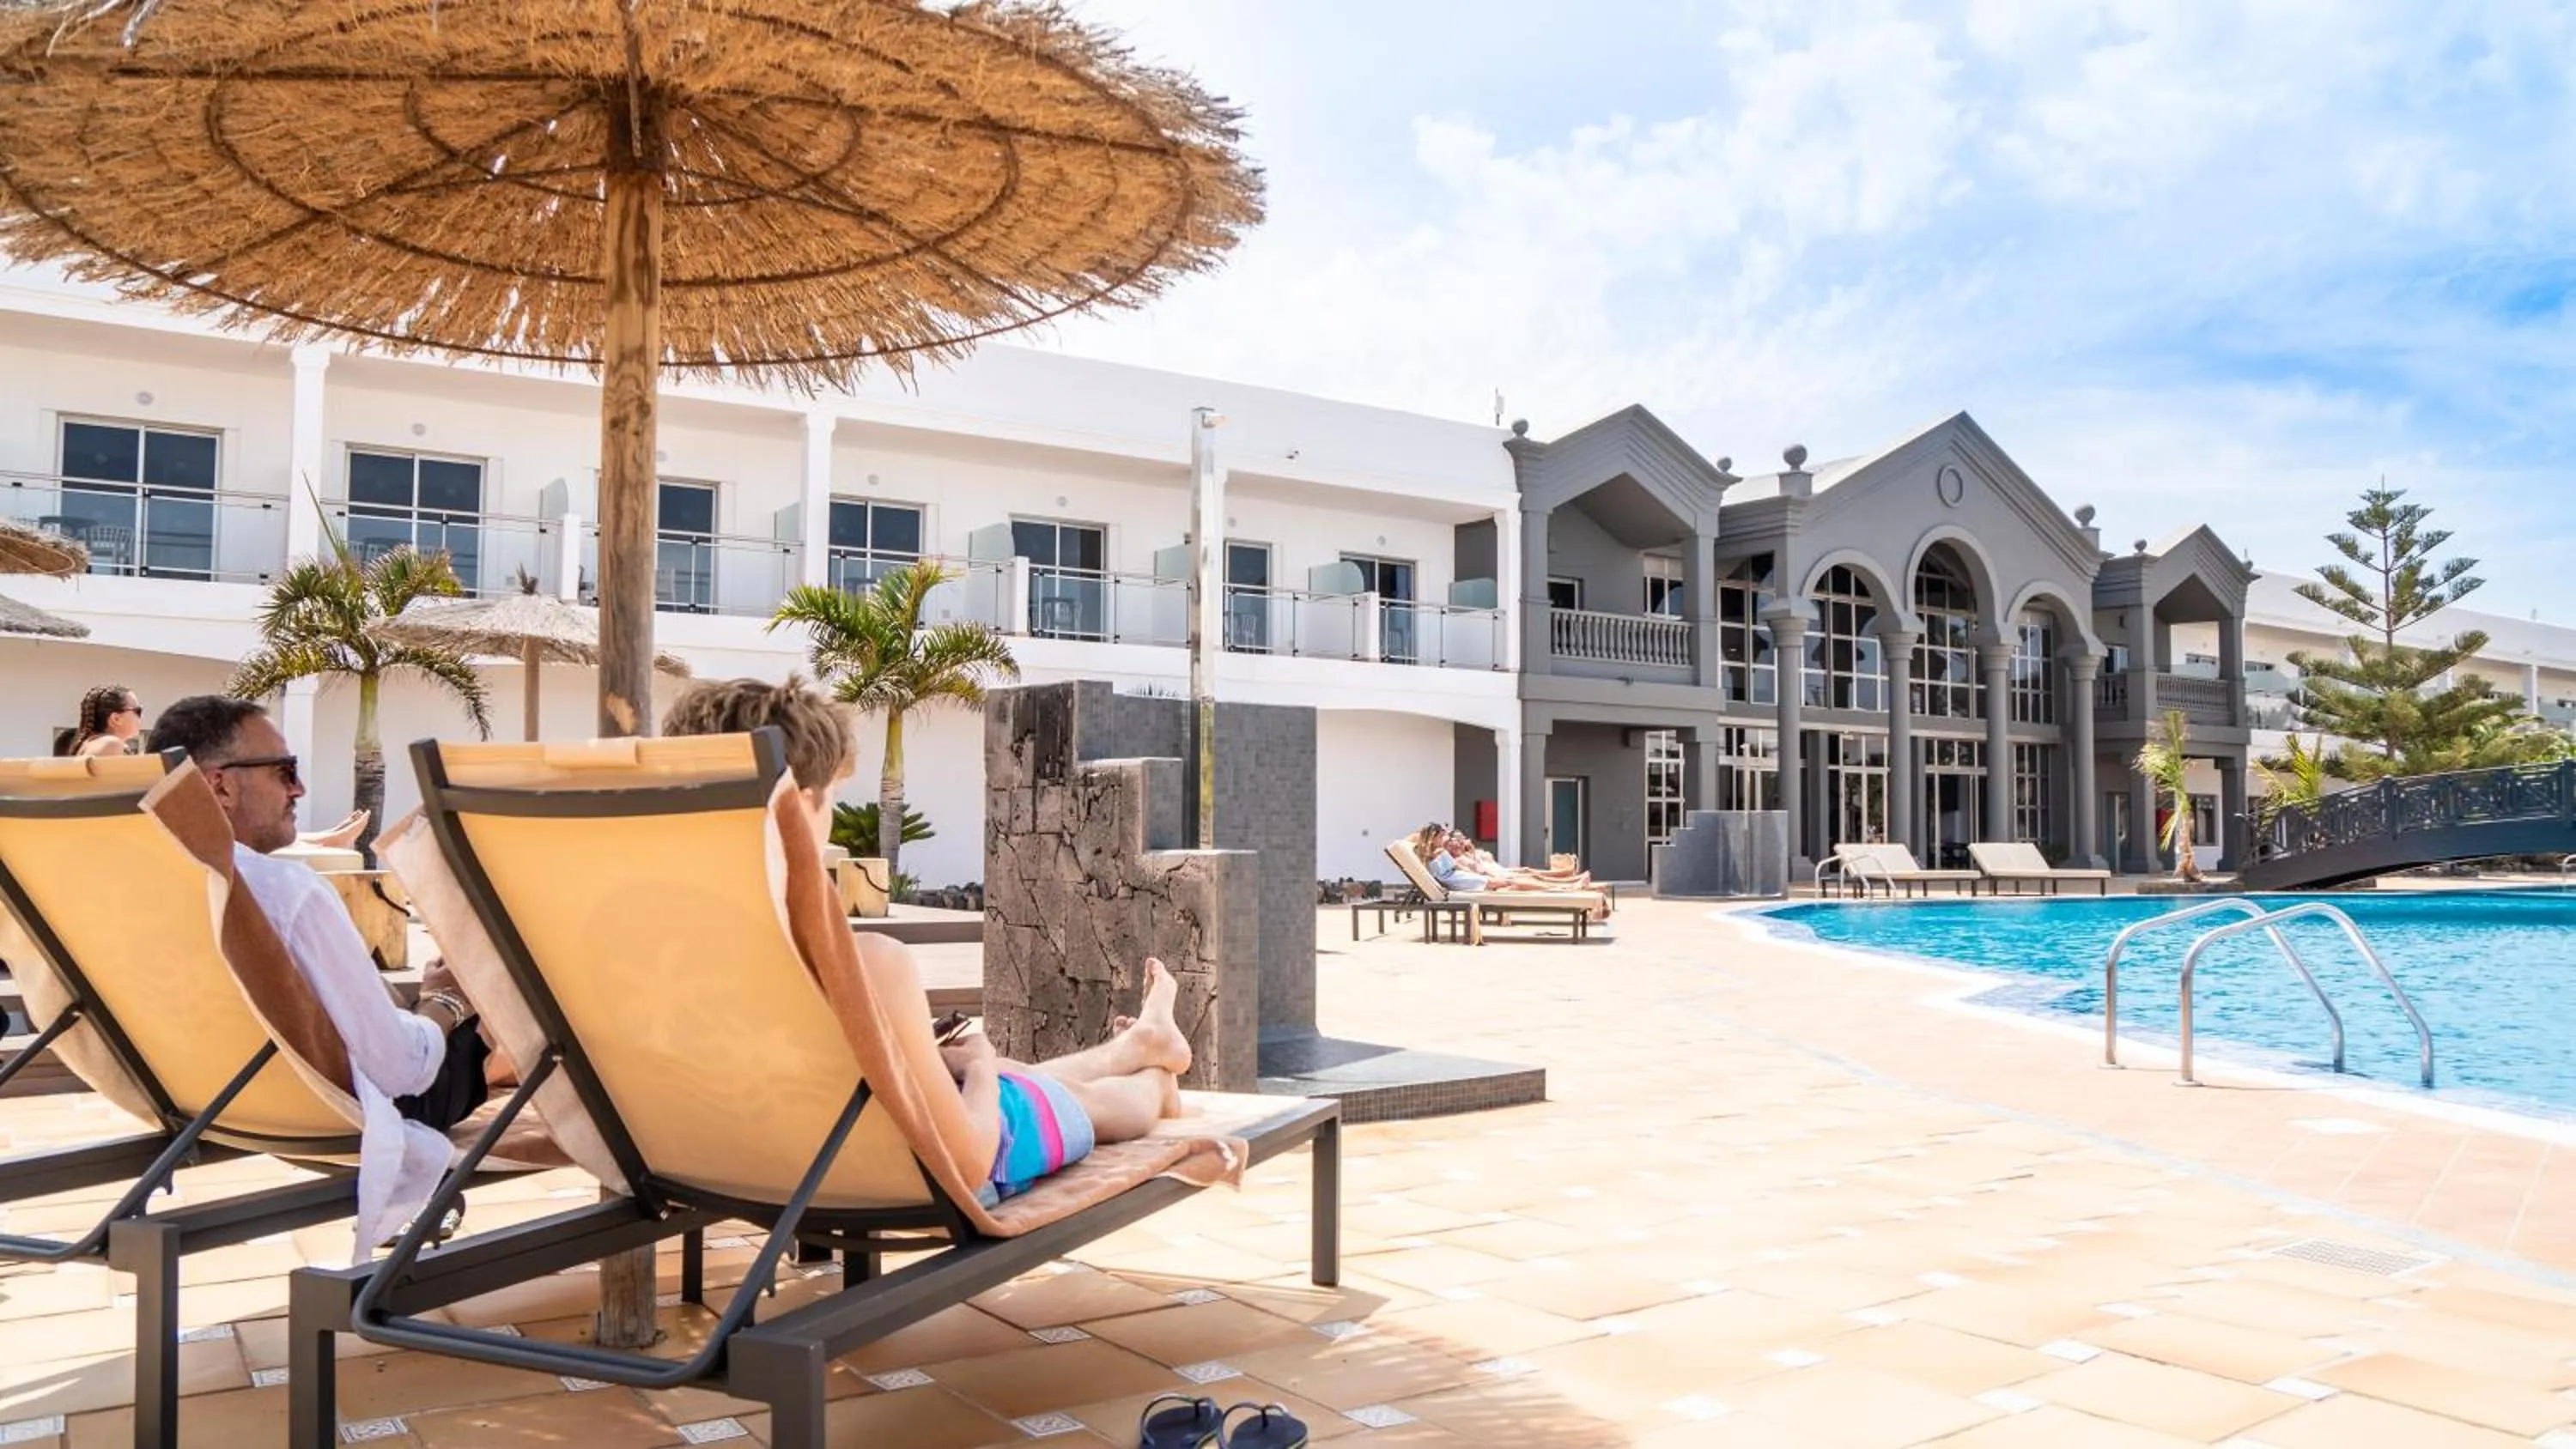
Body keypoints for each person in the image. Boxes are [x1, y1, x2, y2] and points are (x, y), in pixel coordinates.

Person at [659, 676, 1194, 1200]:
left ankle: (1139, 1045)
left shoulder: (661, 954)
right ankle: (1154, 1080)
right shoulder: (866, 966)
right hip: (894, 1167)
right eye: (835, 798)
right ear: (799, 808)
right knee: (1045, 1093)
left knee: (1000, 1076)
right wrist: (981, 1064)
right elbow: (970, 1159)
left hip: (760, 1160)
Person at [149, 694, 487, 1251]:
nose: (299, 790)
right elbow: (403, 1070)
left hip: (212, 1096)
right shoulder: (289, 896)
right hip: (337, 1108)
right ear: (220, 786)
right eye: (286, 771)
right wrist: (444, 1002)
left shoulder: (158, 888)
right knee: (504, 999)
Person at [63, 684, 142, 758]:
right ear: (116, 719)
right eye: (138, 711)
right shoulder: (111, 745)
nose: (141, 717)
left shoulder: (92, 744)